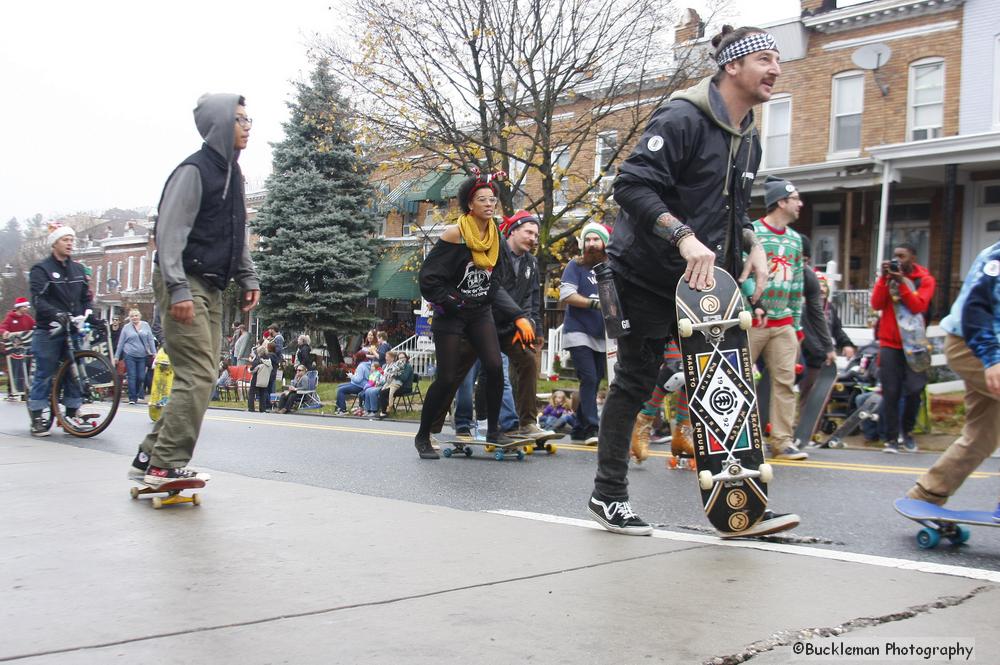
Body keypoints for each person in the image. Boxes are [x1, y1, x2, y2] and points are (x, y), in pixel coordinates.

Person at [586, 25, 797, 537]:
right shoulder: (681, 117)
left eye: (778, 60)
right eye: (765, 59)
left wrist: (754, 246)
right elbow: (632, 185)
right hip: (646, 274)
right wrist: (681, 235)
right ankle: (608, 495)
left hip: (707, 282)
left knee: (721, 386)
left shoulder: (749, 140)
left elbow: (734, 210)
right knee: (636, 380)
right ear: (732, 67)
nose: (775, 69)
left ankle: (739, 503)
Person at [127, 92, 260, 487]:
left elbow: (238, 235)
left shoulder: (233, 175)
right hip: (183, 280)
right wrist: (178, 288)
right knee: (199, 374)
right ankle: (164, 464)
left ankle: (150, 453)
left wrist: (248, 276)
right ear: (221, 123)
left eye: (250, 119)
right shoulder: (194, 171)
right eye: (240, 119)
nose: (248, 126)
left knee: (198, 374)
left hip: (213, 286)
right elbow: (168, 234)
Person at [414, 169, 533, 459]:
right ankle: (422, 436)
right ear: (470, 204)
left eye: (493, 200)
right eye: (483, 200)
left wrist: (488, 300)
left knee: (494, 367)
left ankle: (494, 430)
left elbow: (498, 276)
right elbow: (428, 279)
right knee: (446, 377)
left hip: (480, 312)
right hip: (452, 314)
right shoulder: (455, 234)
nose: (490, 204)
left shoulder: (495, 235)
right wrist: (454, 301)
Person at [905, 241, 1000, 521]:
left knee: (983, 435)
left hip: (988, 349)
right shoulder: (996, 256)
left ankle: (926, 495)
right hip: (972, 345)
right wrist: (992, 360)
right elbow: (976, 308)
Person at [741, 176, 807, 460]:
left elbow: (798, 283)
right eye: (795, 200)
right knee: (742, 380)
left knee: (785, 383)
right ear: (781, 202)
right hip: (753, 322)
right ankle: (740, 439)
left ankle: (782, 440)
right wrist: (751, 303)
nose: (800, 204)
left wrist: (797, 323)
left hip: (783, 324)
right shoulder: (752, 233)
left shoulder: (795, 240)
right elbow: (740, 274)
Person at [26, 225, 95, 435]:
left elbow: (86, 297)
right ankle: (37, 416)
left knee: (74, 371)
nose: (70, 243)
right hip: (49, 329)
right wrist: (56, 314)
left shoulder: (78, 269)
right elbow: (38, 299)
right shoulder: (42, 270)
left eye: (72, 240)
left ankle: (72, 412)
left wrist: (88, 313)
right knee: (44, 372)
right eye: (65, 240)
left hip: (72, 328)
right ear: (54, 243)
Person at [871, 242, 936, 453]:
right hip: (890, 344)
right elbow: (877, 304)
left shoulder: (925, 280)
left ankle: (906, 433)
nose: (898, 260)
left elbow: (918, 306)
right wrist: (884, 279)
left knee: (914, 391)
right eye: (896, 256)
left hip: (914, 345)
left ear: (913, 258)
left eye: (903, 256)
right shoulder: (888, 279)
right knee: (891, 392)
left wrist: (903, 285)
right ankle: (891, 439)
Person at [559, 222, 611, 445]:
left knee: (595, 379)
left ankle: (578, 426)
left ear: (604, 243)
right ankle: (592, 426)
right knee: (589, 377)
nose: (591, 244)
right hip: (578, 331)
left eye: (595, 239)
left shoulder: (612, 267)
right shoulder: (575, 266)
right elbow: (566, 295)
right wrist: (594, 304)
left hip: (604, 334)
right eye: (587, 239)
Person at [797, 236, 836, 404]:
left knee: (785, 382)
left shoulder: (808, 278)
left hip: (804, 348)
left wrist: (828, 347)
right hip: (758, 323)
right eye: (799, 260)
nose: (801, 266)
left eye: (805, 261)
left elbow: (817, 314)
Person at [115, 308, 157, 405]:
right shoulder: (126, 327)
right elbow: (121, 343)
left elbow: (150, 339)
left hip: (142, 355)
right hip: (129, 354)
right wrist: (117, 356)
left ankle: (137, 392)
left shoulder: (145, 325)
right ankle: (132, 398)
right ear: (129, 318)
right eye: (132, 316)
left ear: (139, 316)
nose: (134, 318)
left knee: (141, 377)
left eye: (136, 315)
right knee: (132, 376)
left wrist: (154, 352)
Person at [1, 297, 35, 399]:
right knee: (15, 370)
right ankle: (11, 390)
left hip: (25, 348)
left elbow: (34, 325)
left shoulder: (27, 318)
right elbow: (2, 328)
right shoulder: (10, 318)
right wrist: (5, 332)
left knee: (26, 370)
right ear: (19, 307)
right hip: (13, 349)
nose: (26, 309)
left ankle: (24, 391)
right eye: (24, 307)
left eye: (26, 307)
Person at [377, 351, 414, 417]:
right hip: (397, 386)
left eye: (403, 357)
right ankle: (383, 410)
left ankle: (385, 412)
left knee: (383, 393)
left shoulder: (408, 366)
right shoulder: (398, 366)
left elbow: (404, 378)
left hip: (406, 387)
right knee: (382, 391)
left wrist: (394, 374)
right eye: (399, 358)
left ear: (406, 358)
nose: (401, 359)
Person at [248, 343, 274, 412]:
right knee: (263, 394)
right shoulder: (269, 361)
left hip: (256, 379)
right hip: (265, 380)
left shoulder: (258, 360)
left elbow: (252, 369)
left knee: (251, 393)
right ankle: (262, 409)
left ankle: (251, 408)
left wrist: (249, 368)